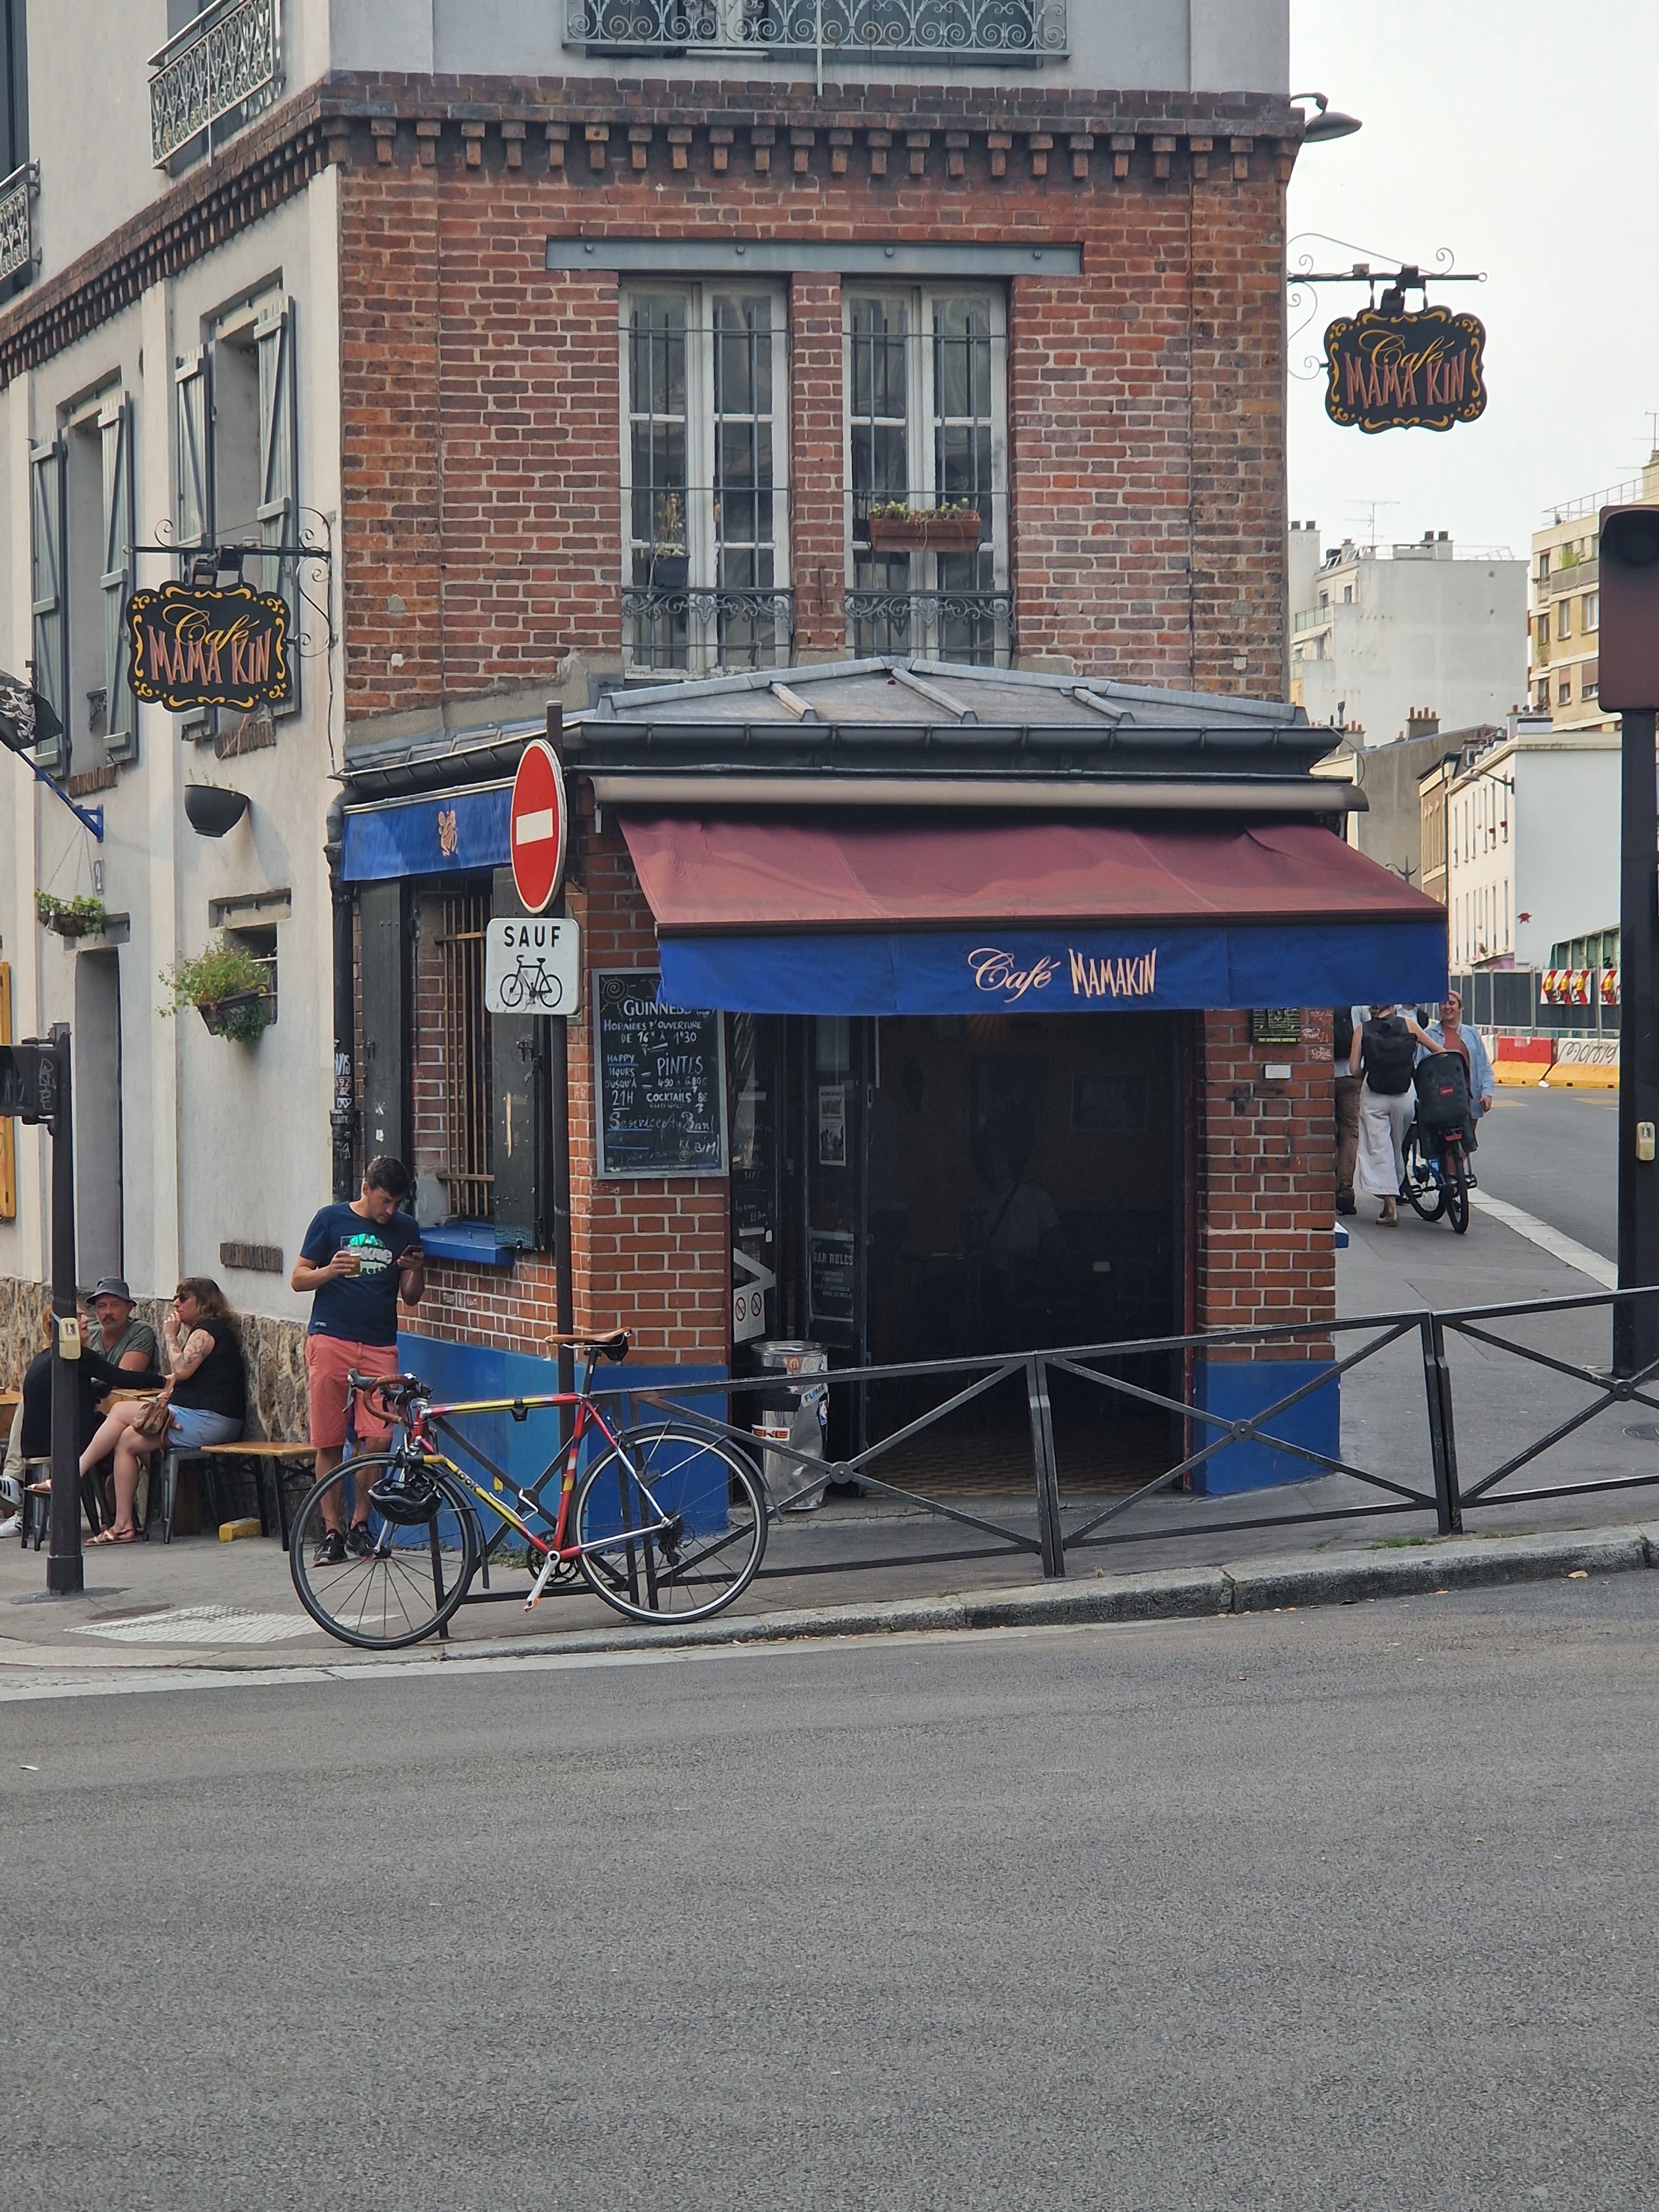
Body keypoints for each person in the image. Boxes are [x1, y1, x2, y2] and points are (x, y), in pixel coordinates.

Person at [291, 1157, 425, 1564]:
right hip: (331, 1337)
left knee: (379, 1437)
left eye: (397, 1203)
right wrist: (330, 1270)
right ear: (366, 1189)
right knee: (329, 1439)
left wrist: (416, 1270)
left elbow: (411, 1296)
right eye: (384, 1201)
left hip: (380, 1344)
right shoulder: (330, 1220)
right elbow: (298, 1278)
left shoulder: (405, 1229)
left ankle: (360, 1524)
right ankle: (332, 1531)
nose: (390, 1210)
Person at [79, 1280, 245, 1544]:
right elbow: (185, 1380)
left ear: (203, 1302)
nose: (176, 1304)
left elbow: (182, 1370)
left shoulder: (207, 1331)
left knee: (120, 1410)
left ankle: (74, 1473)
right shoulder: (205, 1331)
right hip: (197, 1416)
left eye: (183, 1298)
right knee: (126, 1441)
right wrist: (166, 1399)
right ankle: (123, 1525)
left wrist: (170, 1336)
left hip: (211, 1419)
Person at [1350, 1003, 1435, 1225]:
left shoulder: (1362, 1030)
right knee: (1396, 1147)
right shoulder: (1410, 1025)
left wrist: (1367, 1073)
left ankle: (1390, 1204)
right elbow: (1437, 1050)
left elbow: (1354, 1068)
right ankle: (1395, 1190)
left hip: (1374, 1095)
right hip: (1404, 1094)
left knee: (1379, 1149)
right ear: (1393, 1006)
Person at [1420, 991, 1494, 1135]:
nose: (1447, 1007)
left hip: (1469, 1103)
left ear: (1461, 1008)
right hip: (1438, 1104)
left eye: (1452, 1003)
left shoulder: (1472, 1034)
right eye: (1443, 1003)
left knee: (1466, 1144)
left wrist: (1487, 1093)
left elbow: (1484, 1067)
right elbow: (1420, 1068)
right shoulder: (1428, 1035)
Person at [1332, 1006, 1366, 1217]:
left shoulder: (1317, 996)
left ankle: (1323, 1185)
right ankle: (1345, 1190)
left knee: (1324, 1130)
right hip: (1351, 1075)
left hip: (1320, 1074)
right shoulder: (1357, 1004)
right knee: (1349, 1133)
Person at [87, 1277, 160, 1374]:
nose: (108, 1312)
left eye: (115, 1305)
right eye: (102, 1306)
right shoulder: (88, 1331)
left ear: (129, 1308)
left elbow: (127, 1377)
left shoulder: (139, 1332)